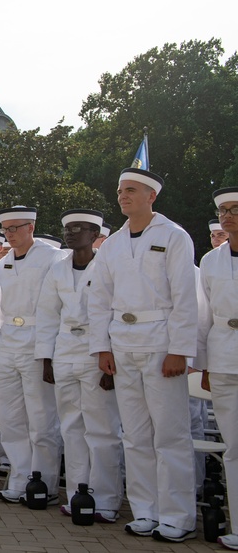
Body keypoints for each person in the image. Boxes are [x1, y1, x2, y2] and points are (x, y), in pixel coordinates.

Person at [89, 168, 198, 542]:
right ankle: (145, 511)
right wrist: (101, 345)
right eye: (120, 190)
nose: (123, 196)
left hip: (161, 343)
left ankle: (178, 516)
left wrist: (180, 350)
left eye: (131, 190)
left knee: (170, 435)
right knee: (134, 435)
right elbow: (99, 298)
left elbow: (185, 296)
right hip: (123, 344)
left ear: (152, 196)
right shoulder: (114, 244)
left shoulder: (174, 236)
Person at [36, 209, 122, 522]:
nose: (71, 233)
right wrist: (46, 358)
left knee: (102, 428)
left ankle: (106, 500)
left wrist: (109, 358)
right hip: (65, 352)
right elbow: (47, 315)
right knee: (71, 426)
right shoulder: (57, 269)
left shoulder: (108, 266)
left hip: (96, 352)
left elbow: (114, 311)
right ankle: (77, 494)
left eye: (79, 228)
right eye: (67, 228)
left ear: (95, 234)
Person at [0, 206, 64, 504]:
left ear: (31, 227)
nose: (9, 234)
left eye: (14, 228)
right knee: (11, 418)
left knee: (41, 418)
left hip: (38, 342)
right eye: (5, 230)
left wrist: (49, 353)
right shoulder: (4, 262)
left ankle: (44, 483)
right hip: (8, 342)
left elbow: (57, 307)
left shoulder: (52, 257)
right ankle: (20, 477)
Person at [196, 187, 238, 550]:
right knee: (234, 447)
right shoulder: (211, 261)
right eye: (223, 209)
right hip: (224, 356)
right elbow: (206, 317)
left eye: (235, 209)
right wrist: (205, 364)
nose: (227, 215)